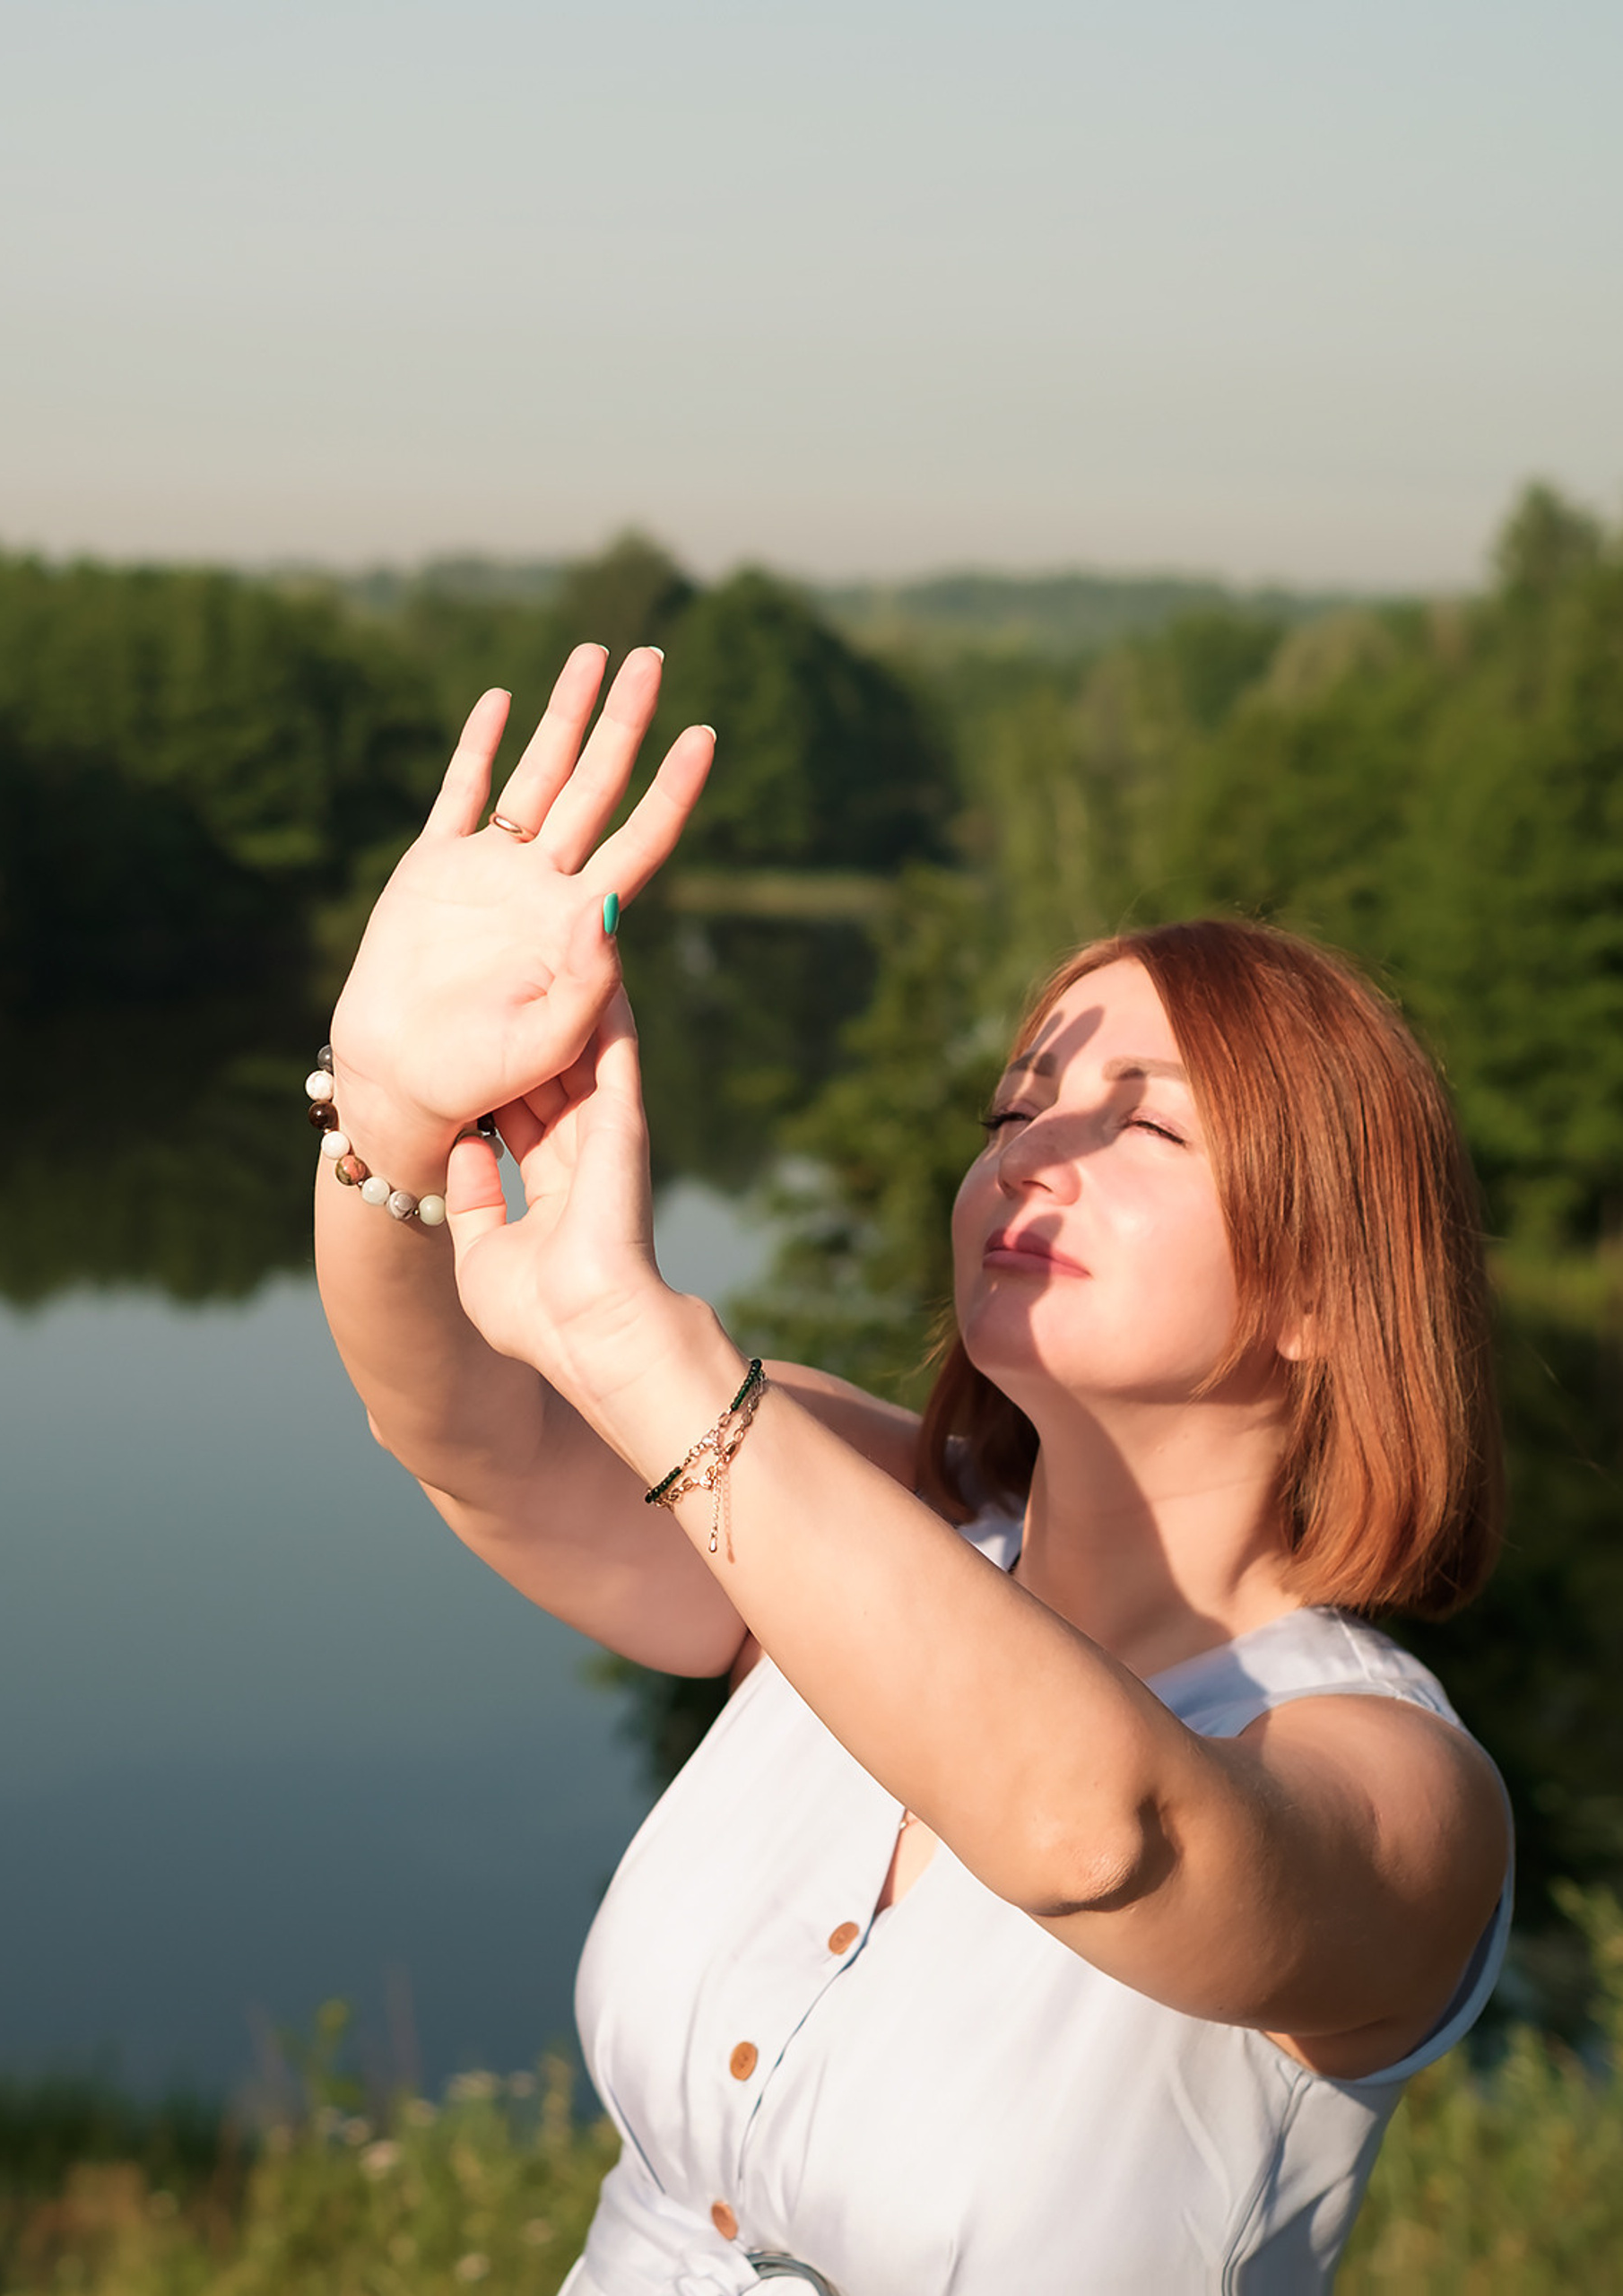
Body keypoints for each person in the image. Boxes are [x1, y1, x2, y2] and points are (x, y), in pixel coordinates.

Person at [311, 644, 1512, 2294]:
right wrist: (383, 1122)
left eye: (1140, 1125)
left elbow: (1113, 1832)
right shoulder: (838, 1506)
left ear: (1327, 1283)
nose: (1031, 1146)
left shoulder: (1403, 1796)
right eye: (1017, 1103)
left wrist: (636, 1336)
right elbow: (470, 1439)